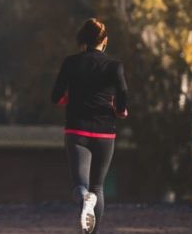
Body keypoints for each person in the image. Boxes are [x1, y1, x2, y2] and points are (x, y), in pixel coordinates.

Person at [51, 18, 128, 234]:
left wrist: (67, 99)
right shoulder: (115, 66)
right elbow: (123, 92)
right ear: (105, 41)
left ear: (82, 39)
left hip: (77, 131)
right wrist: (121, 110)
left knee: (80, 187)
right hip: (105, 132)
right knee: (98, 187)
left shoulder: (71, 62)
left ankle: (85, 198)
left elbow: (55, 96)